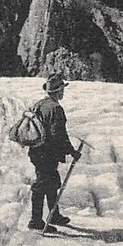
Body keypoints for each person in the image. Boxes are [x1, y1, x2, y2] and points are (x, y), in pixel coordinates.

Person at [27, 71, 80, 231]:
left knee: (51, 182)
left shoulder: (39, 104)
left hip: (36, 151)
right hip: (47, 153)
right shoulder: (56, 109)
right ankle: (36, 221)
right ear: (57, 91)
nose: (63, 92)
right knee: (43, 184)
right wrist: (72, 151)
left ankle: (54, 215)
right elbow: (59, 135)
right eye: (62, 89)